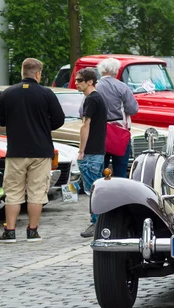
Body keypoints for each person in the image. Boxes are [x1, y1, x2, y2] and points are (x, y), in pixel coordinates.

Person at [0, 58, 65, 243]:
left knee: (13, 192)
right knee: (37, 192)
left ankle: (9, 231)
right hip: (41, 151)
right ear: (38, 74)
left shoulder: (8, 93)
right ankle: (32, 231)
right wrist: (43, 125)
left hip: (16, 150)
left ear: (22, 72)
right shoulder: (46, 93)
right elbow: (59, 119)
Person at [76, 67, 108, 238]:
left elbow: (85, 125)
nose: (76, 84)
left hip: (91, 152)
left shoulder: (91, 100)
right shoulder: (97, 98)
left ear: (90, 82)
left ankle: (97, 223)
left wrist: (81, 150)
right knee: (97, 188)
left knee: (94, 190)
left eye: (79, 81)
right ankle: (98, 221)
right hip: (97, 150)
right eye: (75, 80)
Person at [95, 57, 139, 177]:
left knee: (100, 170)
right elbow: (133, 109)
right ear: (116, 70)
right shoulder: (122, 87)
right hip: (119, 133)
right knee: (120, 169)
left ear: (101, 70)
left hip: (99, 134)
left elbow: (82, 111)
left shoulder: (94, 88)